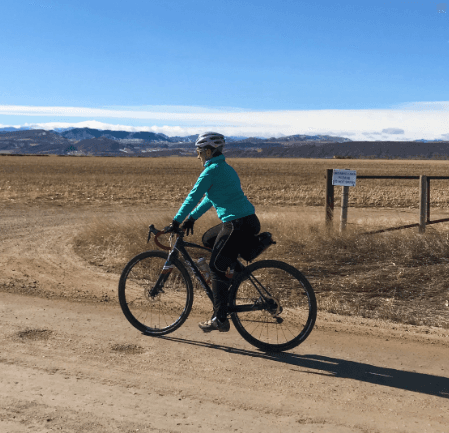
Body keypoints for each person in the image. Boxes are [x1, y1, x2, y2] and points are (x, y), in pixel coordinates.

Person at [164, 132, 260, 332]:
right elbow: (210, 198)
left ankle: (220, 318)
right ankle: (232, 275)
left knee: (216, 268)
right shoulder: (226, 169)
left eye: (199, 152)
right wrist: (192, 218)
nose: (198, 156)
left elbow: (193, 197)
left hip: (236, 224)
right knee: (208, 239)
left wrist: (176, 221)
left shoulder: (210, 171)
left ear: (208, 151)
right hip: (248, 220)